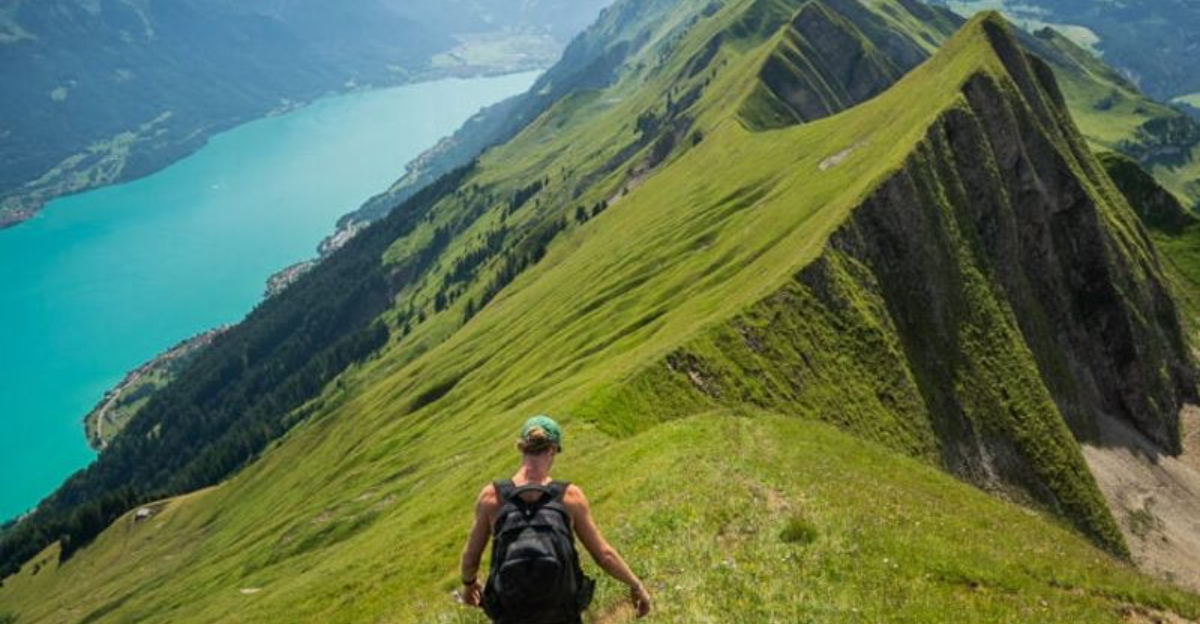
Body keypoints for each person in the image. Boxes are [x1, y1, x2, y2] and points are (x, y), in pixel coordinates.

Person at [459, 415, 652, 623]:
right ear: (552, 450)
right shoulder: (570, 496)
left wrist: (469, 585)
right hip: (561, 611)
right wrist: (636, 585)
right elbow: (603, 555)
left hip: (510, 613)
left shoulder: (491, 496)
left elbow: (471, 558)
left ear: (522, 448)